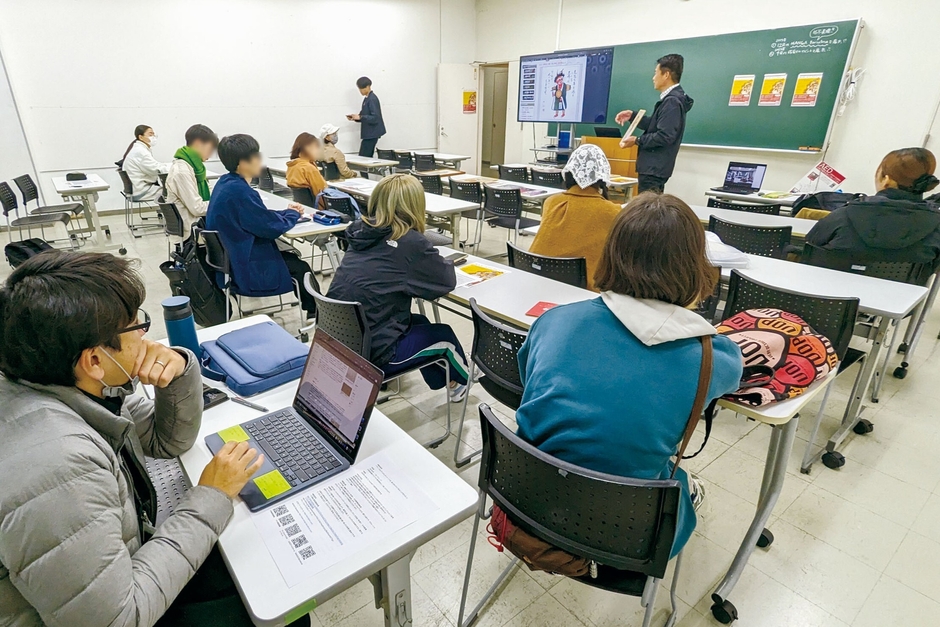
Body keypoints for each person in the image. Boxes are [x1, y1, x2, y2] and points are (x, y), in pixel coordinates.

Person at [0, 251, 288, 627]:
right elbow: (119, 619)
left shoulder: (73, 380)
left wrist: (180, 372)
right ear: (94, 359)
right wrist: (212, 496)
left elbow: (166, 443)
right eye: (136, 326)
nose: (144, 335)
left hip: (116, 560)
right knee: (272, 593)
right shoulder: (59, 468)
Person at [515, 192, 743, 556]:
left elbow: (529, 382)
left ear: (612, 252)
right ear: (695, 266)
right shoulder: (712, 356)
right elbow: (734, 377)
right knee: (673, 474)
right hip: (627, 533)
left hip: (527, 498)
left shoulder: (553, 320)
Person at [327, 174, 469, 400]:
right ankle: (465, 380)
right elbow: (444, 282)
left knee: (420, 322)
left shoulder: (360, 233)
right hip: (372, 356)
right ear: (415, 206)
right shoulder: (410, 243)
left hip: (338, 343)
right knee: (445, 337)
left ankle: (448, 380)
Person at [206, 134, 319, 318]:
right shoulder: (240, 192)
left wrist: (286, 212)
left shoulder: (226, 183)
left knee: (291, 257)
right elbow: (269, 228)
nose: (260, 160)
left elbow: (258, 217)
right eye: (256, 156)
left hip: (231, 258)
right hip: (245, 264)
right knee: (301, 268)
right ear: (243, 162)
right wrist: (291, 214)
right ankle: (319, 314)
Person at [806, 148, 940, 270]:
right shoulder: (935, 225)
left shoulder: (844, 215)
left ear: (886, 180)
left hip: (828, 294)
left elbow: (810, 245)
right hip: (898, 296)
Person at [529, 144, 622, 291]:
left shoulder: (551, 202)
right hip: (583, 290)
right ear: (603, 176)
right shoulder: (612, 212)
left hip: (538, 279)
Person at [614, 54, 694, 193]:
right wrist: (633, 116)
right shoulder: (672, 100)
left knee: (648, 211)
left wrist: (637, 140)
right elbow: (656, 125)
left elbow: (665, 135)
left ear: (666, 75)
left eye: (655, 73)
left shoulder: (672, 102)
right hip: (654, 168)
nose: (653, 77)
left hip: (654, 169)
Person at [165, 124, 219, 242]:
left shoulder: (195, 167)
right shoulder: (182, 171)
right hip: (191, 231)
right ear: (198, 143)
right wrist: (222, 203)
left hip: (197, 223)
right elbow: (197, 208)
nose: (211, 153)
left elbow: (208, 193)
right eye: (210, 148)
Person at [120, 124, 171, 201]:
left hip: (137, 189)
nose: (153, 136)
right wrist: (174, 167)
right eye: (150, 134)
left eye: (154, 134)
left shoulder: (139, 149)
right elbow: (156, 170)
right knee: (175, 192)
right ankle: (171, 212)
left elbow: (155, 165)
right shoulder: (140, 152)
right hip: (142, 191)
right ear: (141, 137)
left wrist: (169, 165)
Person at [347, 76, 386, 157]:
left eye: (362, 89)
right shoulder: (367, 99)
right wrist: (356, 118)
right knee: (364, 156)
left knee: (364, 157)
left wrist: (360, 117)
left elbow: (375, 118)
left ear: (368, 87)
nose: (360, 91)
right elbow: (364, 115)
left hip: (372, 133)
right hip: (369, 133)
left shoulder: (372, 99)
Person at [285, 132, 328, 198]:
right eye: (316, 147)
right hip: (316, 207)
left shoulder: (292, 166)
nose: (318, 150)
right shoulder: (309, 169)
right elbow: (322, 194)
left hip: (301, 206)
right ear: (307, 148)